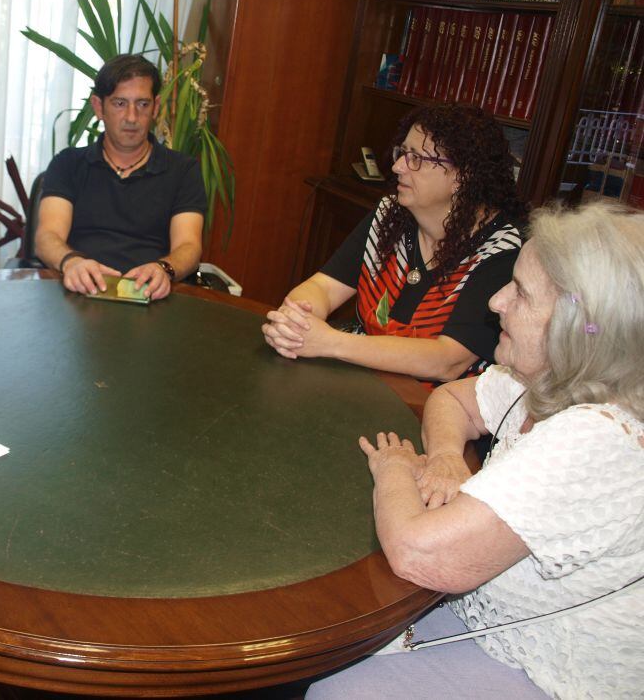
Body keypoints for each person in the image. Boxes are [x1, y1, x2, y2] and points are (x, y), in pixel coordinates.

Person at [307, 200, 644, 699]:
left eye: (522, 295)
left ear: (578, 329)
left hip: (543, 666)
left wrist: (397, 469)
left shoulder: (598, 438)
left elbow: (418, 553)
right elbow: (453, 399)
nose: (495, 302)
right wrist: (445, 456)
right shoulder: (550, 376)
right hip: (477, 615)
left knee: (333, 686)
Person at [263, 104, 525, 384]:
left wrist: (329, 342)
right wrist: (296, 325)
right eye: (403, 153)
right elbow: (323, 287)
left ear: (462, 175)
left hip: (430, 410)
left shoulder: (502, 250)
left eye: (416, 158)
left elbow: (447, 360)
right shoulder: (391, 215)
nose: (397, 166)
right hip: (363, 383)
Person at [35, 54, 207, 301]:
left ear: (156, 107)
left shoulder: (183, 170)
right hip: (79, 293)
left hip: (151, 296)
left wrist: (164, 269)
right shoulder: (68, 163)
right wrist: (71, 262)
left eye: (142, 104)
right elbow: (47, 236)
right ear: (98, 107)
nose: (132, 117)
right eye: (119, 103)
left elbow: (189, 246)